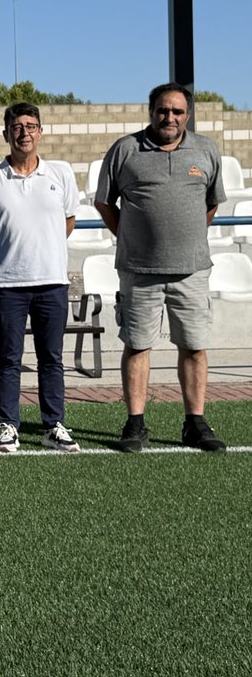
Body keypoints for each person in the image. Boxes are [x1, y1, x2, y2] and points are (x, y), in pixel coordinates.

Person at [95, 83, 227, 452]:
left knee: (195, 346)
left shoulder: (206, 150)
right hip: (139, 271)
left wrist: (187, 237)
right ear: (151, 111)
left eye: (178, 112)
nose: (170, 118)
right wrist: (131, 237)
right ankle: (135, 424)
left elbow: (211, 203)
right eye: (163, 111)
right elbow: (104, 203)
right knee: (137, 346)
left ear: (188, 115)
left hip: (192, 271)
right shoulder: (125, 150)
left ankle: (195, 423)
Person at [0, 103, 79, 453]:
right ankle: (7, 425)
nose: (24, 132)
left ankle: (53, 425)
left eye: (31, 125)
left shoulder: (60, 174)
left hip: (51, 283)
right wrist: (5, 255)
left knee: (51, 359)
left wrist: (44, 251)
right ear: (6, 134)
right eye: (17, 126)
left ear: (40, 132)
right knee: (8, 359)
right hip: (6, 286)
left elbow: (69, 222)